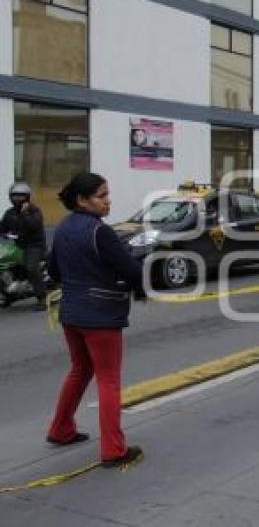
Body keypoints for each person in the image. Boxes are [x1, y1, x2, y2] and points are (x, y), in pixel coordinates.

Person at [46, 172, 144, 468]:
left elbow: (54, 272)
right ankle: (114, 450)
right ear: (82, 200)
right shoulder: (99, 232)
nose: (107, 201)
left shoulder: (62, 228)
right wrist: (139, 289)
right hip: (101, 316)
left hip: (71, 314)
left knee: (80, 369)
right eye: (101, 196)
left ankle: (61, 428)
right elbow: (130, 268)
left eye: (107, 195)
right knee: (109, 381)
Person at [0, 182, 47, 309]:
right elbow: (2, 226)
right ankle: (9, 294)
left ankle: (42, 298)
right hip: (19, 246)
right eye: (15, 196)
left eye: (21, 196)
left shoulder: (34, 211)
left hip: (35, 246)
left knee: (31, 267)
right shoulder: (9, 213)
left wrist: (25, 213)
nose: (18, 199)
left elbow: (34, 225)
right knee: (6, 264)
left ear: (27, 197)